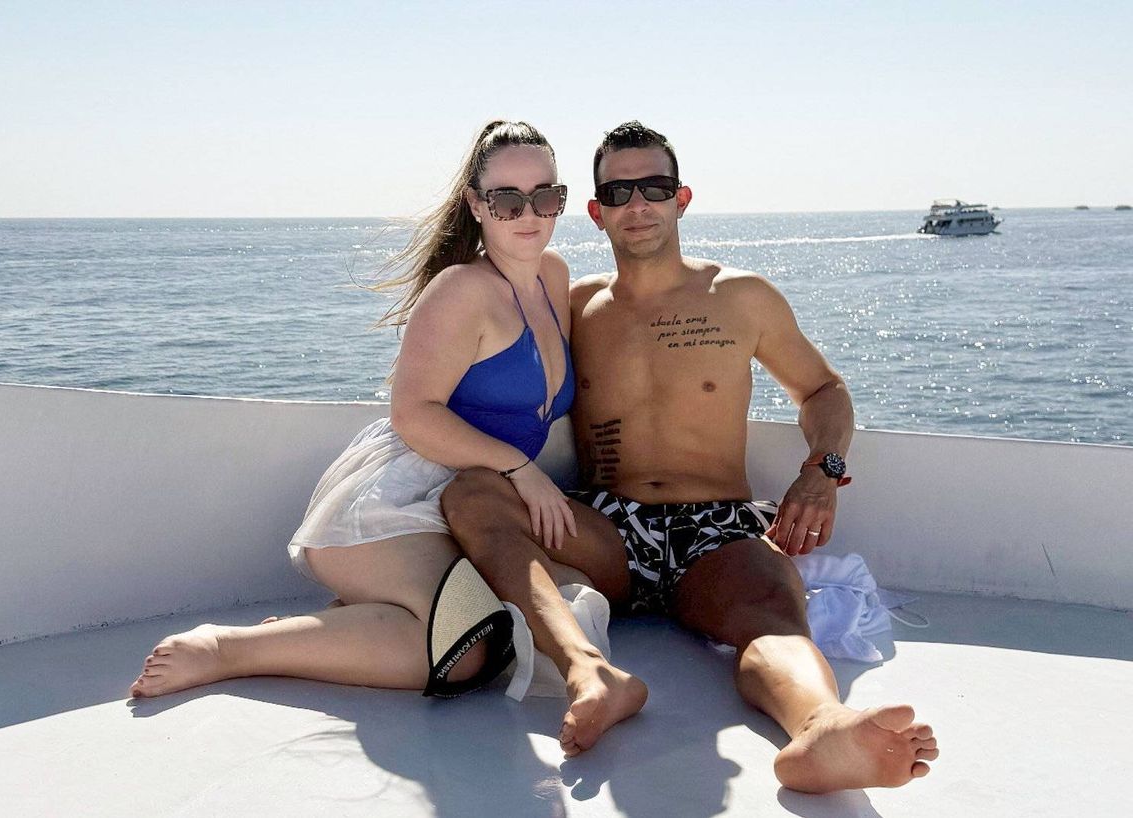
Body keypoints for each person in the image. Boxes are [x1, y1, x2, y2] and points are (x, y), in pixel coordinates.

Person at [440, 121, 939, 791]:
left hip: (715, 530)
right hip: (607, 527)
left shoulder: (739, 297)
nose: (638, 204)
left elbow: (823, 389)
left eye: (655, 187)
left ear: (682, 199)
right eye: (618, 190)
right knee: (472, 493)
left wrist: (820, 472)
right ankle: (589, 671)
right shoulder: (572, 304)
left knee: (768, 608)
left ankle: (821, 728)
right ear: (594, 211)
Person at [128, 121, 647, 724]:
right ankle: (226, 649)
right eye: (507, 199)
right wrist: (521, 470)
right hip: (401, 499)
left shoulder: (552, 276)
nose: (528, 213)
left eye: (545, 196)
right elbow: (412, 413)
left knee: (583, 587)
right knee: (466, 649)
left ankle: (343, 622)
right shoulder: (461, 290)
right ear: (477, 205)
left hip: (476, 502)